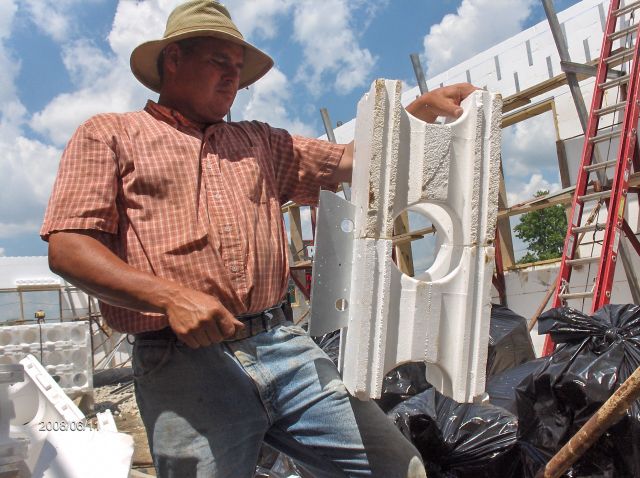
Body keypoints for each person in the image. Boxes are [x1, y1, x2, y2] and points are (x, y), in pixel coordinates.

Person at [41, 1, 475, 477]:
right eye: (218, 62)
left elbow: (353, 159)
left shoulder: (260, 142)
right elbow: (68, 248)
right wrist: (170, 298)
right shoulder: (110, 135)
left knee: (398, 468)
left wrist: (414, 115)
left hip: (282, 343)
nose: (233, 78)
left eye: (239, 70)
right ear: (173, 60)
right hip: (182, 365)